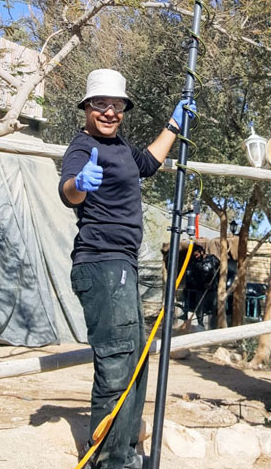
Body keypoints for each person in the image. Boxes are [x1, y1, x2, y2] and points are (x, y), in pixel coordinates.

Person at [59, 68, 194, 469]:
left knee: (136, 358)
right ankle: (110, 461)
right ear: (86, 108)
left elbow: (149, 163)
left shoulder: (121, 147)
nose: (109, 112)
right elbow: (68, 191)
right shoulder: (82, 148)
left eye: (116, 105)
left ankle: (126, 452)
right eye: (100, 104)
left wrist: (175, 123)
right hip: (101, 263)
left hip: (123, 265)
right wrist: (80, 184)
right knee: (118, 361)